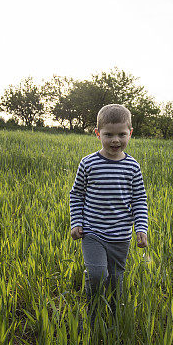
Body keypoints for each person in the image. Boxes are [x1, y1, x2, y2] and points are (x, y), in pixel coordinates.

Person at [69, 104, 149, 328]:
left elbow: (139, 200)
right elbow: (76, 195)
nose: (116, 140)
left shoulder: (132, 166)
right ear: (98, 134)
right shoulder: (88, 163)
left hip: (121, 236)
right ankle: (92, 315)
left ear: (130, 133)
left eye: (122, 134)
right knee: (96, 274)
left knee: (115, 280)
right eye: (108, 134)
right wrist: (76, 222)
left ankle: (115, 321)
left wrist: (141, 228)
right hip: (93, 232)